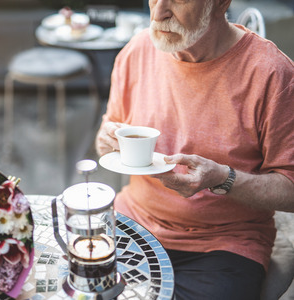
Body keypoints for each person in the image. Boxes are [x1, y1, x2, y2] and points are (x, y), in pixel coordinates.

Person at [95, 0, 294, 299]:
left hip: (224, 244)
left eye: (177, 0)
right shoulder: (137, 50)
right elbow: (103, 142)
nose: (158, 12)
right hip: (133, 222)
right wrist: (108, 138)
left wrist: (222, 179)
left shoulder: (271, 72)